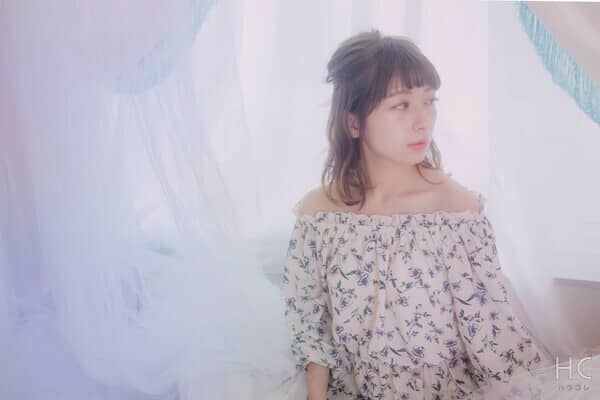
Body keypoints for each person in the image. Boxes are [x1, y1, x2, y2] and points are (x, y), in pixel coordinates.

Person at [281, 30, 552, 400]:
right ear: (353, 123)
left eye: (429, 101)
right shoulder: (318, 216)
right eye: (402, 105)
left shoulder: (456, 213)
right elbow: (310, 325)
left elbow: (491, 337)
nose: (423, 121)